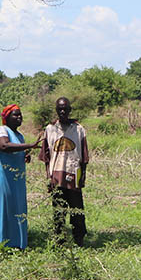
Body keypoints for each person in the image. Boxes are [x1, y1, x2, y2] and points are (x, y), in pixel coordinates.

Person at [0, 104, 42, 249]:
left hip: (16, 179)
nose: (19, 117)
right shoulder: (1, 130)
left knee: (16, 208)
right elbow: (4, 146)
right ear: (6, 118)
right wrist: (30, 145)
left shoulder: (19, 136)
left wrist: (24, 155)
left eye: (20, 115)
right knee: (3, 208)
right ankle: (0, 243)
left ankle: (16, 243)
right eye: (15, 115)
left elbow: (16, 150)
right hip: (2, 176)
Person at [40, 97, 89, 246]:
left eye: (65, 109)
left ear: (70, 110)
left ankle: (78, 239)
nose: (62, 111)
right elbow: (46, 158)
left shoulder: (79, 129)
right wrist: (48, 178)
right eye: (60, 109)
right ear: (56, 110)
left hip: (74, 174)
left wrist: (83, 177)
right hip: (57, 176)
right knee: (59, 210)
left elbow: (84, 157)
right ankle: (59, 240)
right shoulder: (50, 129)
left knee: (77, 210)